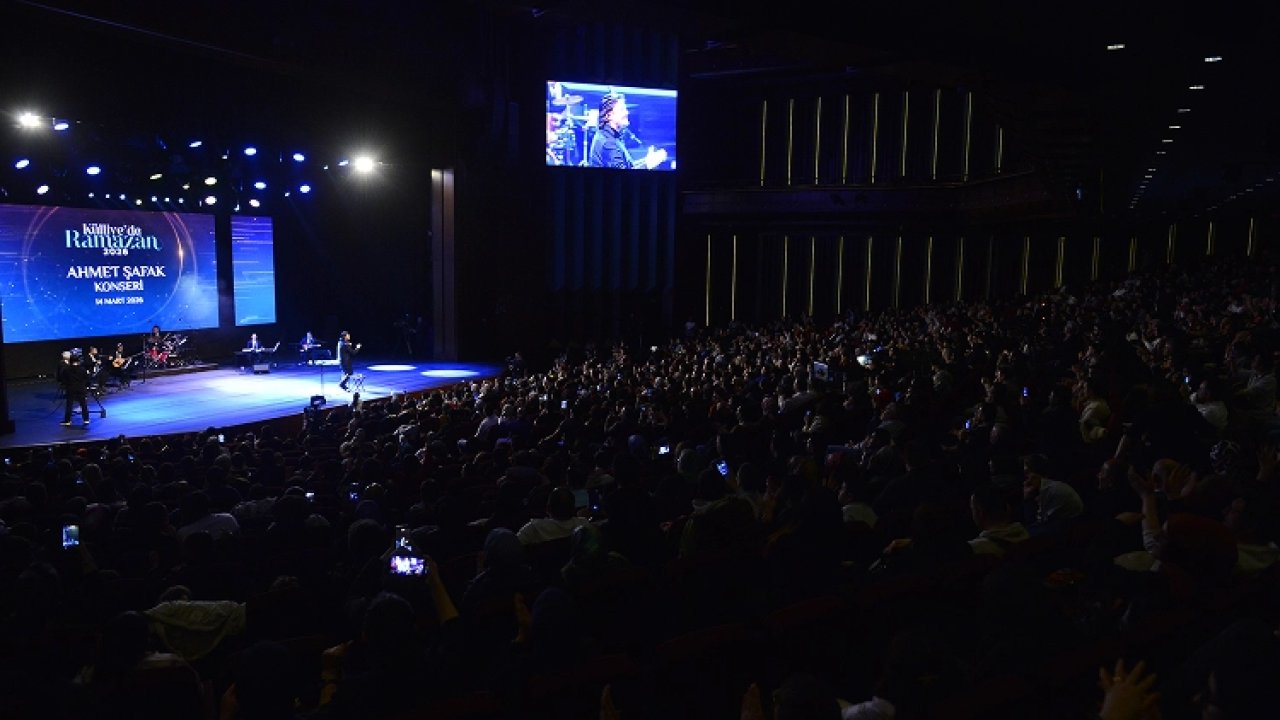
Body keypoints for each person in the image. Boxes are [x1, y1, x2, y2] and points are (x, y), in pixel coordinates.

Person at [587, 94, 667, 169]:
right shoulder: (608, 142)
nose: (627, 112)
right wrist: (648, 164)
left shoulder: (610, 137)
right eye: (622, 109)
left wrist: (647, 160)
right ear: (609, 115)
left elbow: (628, 166)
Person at [58, 350, 90, 427]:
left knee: (69, 405)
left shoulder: (66, 369)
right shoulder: (83, 369)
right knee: (83, 404)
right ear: (78, 361)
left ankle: (67, 421)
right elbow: (87, 379)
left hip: (70, 389)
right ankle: (86, 419)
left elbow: (63, 379)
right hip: (81, 388)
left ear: (70, 361)